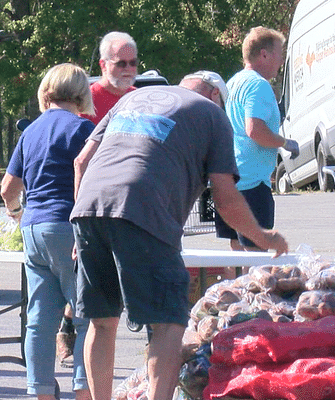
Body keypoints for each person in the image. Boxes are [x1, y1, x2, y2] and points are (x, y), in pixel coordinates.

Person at [70, 71, 290, 400]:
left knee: (102, 322)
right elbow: (226, 198)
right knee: (168, 324)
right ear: (216, 96)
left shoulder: (131, 99)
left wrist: (79, 228)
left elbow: (82, 160)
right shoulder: (214, 116)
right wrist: (262, 235)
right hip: (144, 209)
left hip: (88, 208)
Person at [0, 63, 94, 400]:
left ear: (46, 91)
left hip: (33, 228)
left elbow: (8, 188)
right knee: (86, 317)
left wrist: (16, 213)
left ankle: (39, 393)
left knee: (39, 320)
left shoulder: (30, 132)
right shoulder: (84, 130)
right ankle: (84, 390)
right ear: (82, 93)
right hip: (69, 227)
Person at [214, 26, 300, 253]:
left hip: (230, 181)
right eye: (279, 54)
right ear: (264, 54)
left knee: (236, 257)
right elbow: (255, 130)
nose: (281, 61)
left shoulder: (233, 82)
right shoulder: (258, 85)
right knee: (256, 260)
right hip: (252, 183)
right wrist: (284, 143)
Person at [79, 31, 138, 125]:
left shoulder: (139, 98)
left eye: (133, 63)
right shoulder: (86, 101)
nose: (128, 68)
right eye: (121, 63)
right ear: (103, 65)